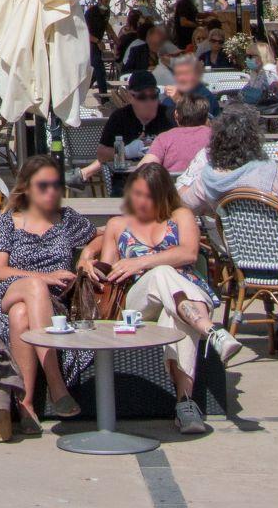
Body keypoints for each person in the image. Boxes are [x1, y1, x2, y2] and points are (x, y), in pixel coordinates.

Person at [84, 162, 250, 435]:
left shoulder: (180, 216)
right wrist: (88, 261)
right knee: (161, 272)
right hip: (137, 301)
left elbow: (188, 254)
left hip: (184, 296)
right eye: (136, 193)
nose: (140, 201)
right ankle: (211, 331)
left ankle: (185, 405)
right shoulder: (118, 225)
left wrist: (141, 261)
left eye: (148, 196)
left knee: (175, 314)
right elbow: (108, 272)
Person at [0, 153, 96, 422]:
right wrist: (43, 278)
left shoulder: (67, 219)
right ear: (26, 188)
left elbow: (105, 233)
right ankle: (57, 386)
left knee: (21, 315)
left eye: (56, 184)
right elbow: (0, 271)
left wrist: (88, 254)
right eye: (43, 185)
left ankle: (27, 404)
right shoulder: (9, 221)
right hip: (9, 291)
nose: (51, 191)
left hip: (50, 304)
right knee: (32, 287)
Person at [179, 103, 278, 241]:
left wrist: (211, 210)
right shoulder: (270, 175)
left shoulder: (207, 179)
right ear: (254, 140)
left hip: (237, 256)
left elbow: (183, 206)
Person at [86, 71, 173, 188]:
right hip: (126, 182)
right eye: (142, 96)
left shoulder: (168, 115)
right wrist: (126, 151)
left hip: (161, 182)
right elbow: (102, 154)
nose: (149, 101)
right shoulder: (120, 117)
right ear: (130, 97)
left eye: (153, 95)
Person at [146, 91, 215, 176]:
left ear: (176, 115)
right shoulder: (217, 136)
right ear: (206, 117)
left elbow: (144, 169)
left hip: (173, 187)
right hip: (209, 187)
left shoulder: (164, 138)